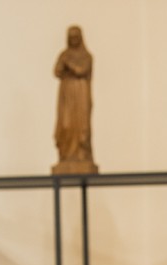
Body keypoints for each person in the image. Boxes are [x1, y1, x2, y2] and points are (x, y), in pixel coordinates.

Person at [51, 25, 98, 174]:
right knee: (66, 125)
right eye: (71, 37)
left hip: (81, 94)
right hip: (67, 95)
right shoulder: (64, 54)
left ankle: (82, 154)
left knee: (82, 128)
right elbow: (56, 71)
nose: (74, 40)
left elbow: (81, 70)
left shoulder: (87, 56)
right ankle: (66, 155)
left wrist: (69, 65)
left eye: (76, 37)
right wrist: (64, 64)